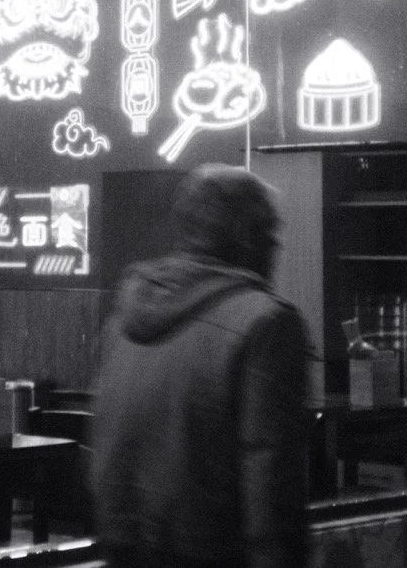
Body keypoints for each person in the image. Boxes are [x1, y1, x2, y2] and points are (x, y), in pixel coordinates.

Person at [90, 163, 310, 568]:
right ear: (247, 237)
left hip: (123, 548)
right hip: (213, 553)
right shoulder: (266, 324)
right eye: (271, 234)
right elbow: (271, 482)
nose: (276, 248)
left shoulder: (124, 316)